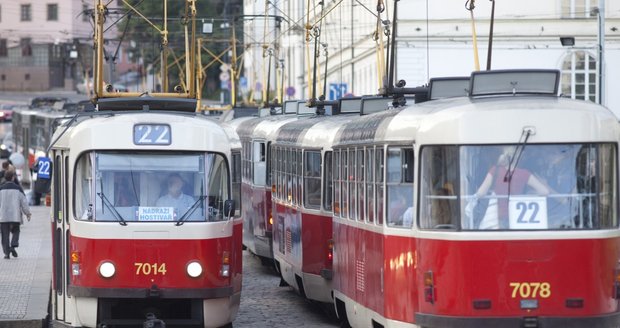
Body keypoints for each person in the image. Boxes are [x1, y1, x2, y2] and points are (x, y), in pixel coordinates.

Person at [470, 147, 549, 229]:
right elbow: (544, 191)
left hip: (497, 217)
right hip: (517, 216)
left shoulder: (494, 170)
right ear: (519, 157)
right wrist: (529, 195)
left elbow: (481, 193)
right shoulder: (524, 173)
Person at [0, 169, 31, 259]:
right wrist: (27, 213)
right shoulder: (18, 189)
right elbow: (24, 202)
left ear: (5, 178)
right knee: (16, 231)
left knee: (4, 235)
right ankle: (13, 245)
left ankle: (7, 253)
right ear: (13, 178)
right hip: (15, 215)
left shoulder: (0, 188)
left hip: (3, 216)